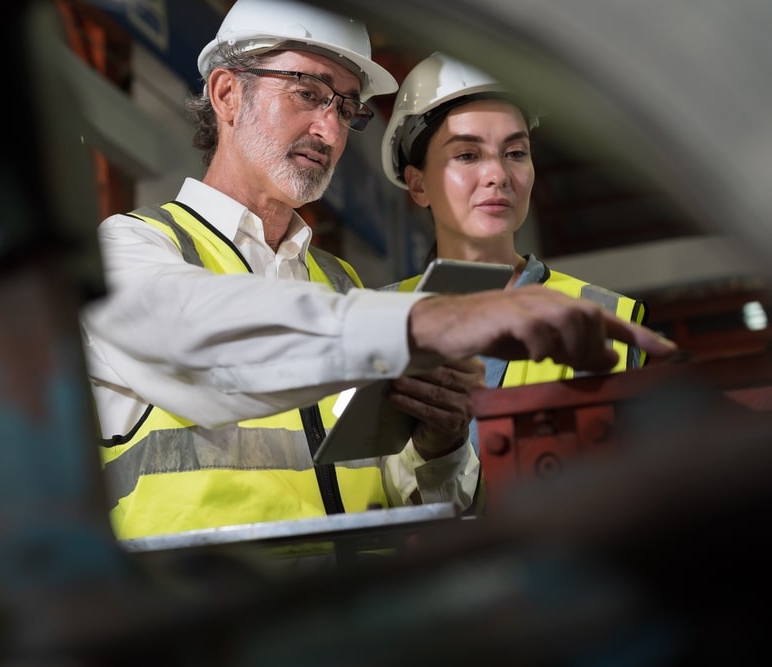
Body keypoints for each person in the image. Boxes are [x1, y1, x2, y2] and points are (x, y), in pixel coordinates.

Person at [79, 0, 676, 540]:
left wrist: (440, 447)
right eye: (308, 93)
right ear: (228, 94)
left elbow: (406, 496)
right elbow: (202, 346)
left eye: (346, 107)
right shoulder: (134, 250)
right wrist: (421, 325)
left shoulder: (342, 286)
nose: (331, 130)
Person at [380, 52, 648, 470]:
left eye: (516, 152)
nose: (499, 176)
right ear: (418, 185)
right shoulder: (376, 320)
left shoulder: (601, 316)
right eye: (467, 155)